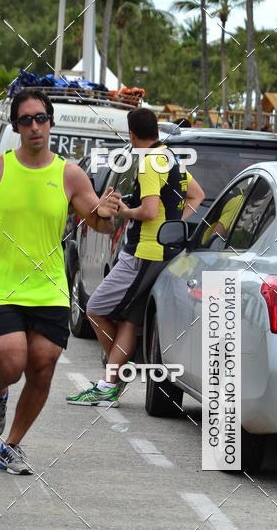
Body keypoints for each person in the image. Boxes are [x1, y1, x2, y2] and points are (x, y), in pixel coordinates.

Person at [0, 87, 119, 474]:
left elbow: (96, 219)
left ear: (51, 122)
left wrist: (108, 211)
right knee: (12, 363)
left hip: (48, 286)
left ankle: (11, 445)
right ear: (16, 126)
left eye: (41, 118)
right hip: (1, 283)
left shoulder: (69, 174)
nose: (35, 126)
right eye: (27, 120)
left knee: (43, 366)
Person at [66, 107, 205, 407]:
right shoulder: (170, 157)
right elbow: (197, 195)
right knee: (130, 320)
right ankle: (110, 380)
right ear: (156, 131)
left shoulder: (149, 162)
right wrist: (176, 222)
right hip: (165, 252)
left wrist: (126, 212)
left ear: (130, 135)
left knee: (95, 308)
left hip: (144, 252)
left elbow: (150, 211)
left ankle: (117, 371)